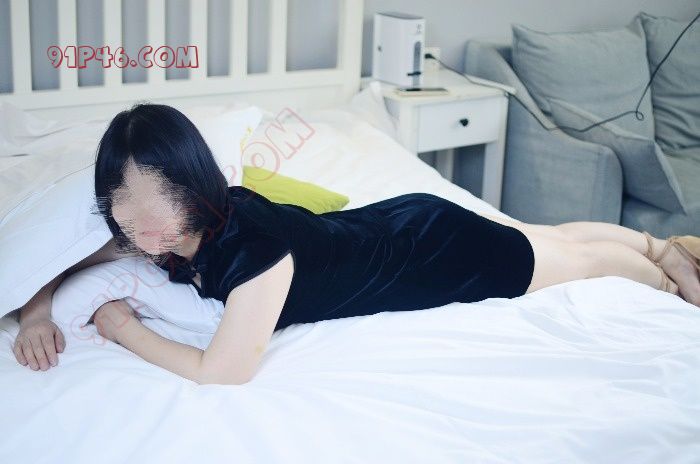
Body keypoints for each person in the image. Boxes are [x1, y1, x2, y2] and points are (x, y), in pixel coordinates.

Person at [12, 103, 700, 384]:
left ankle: (663, 271)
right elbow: (67, 261)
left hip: (434, 252)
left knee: (575, 263)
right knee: (543, 236)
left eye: (157, 212)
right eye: (126, 217)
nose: (144, 234)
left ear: (192, 186)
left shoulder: (254, 255)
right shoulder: (158, 232)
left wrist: (121, 327)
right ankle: (659, 243)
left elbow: (224, 371)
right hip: (395, 222)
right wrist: (38, 312)